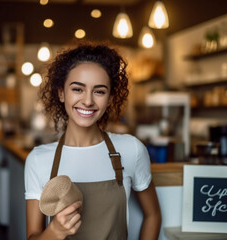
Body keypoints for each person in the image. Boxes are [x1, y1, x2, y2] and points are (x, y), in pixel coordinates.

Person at [24, 42, 161, 240]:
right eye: (78, 89)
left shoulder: (131, 150)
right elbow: (32, 236)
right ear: (61, 93)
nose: (88, 101)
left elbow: (153, 215)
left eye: (99, 91)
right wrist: (54, 232)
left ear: (111, 98)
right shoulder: (38, 160)